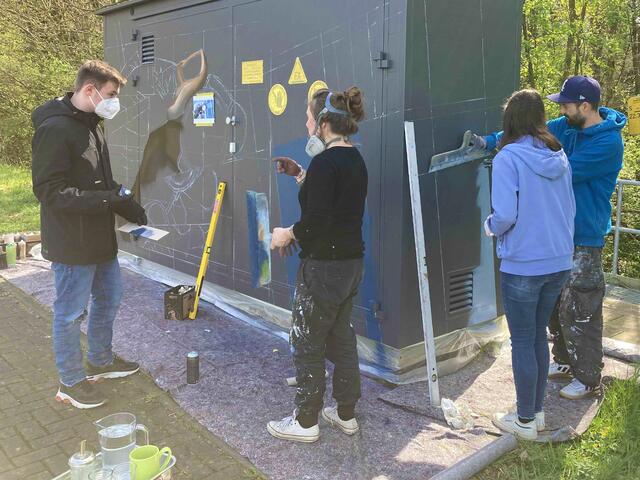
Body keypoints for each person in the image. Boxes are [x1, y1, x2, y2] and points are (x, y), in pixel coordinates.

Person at [476, 76, 626, 400]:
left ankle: (588, 377)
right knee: (557, 306)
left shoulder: (608, 144)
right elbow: (528, 131)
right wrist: (490, 141)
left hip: (585, 235)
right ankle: (564, 360)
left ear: (584, 106)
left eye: (566, 104)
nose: (560, 109)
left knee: (581, 307)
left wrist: (512, 164)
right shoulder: (567, 126)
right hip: (559, 233)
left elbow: (561, 169)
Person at [31, 60, 147, 409]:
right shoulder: (54, 129)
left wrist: (129, 206)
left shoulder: (92, 125)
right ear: (89, 90)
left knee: (109, 298)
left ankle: (101, 359)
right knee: (69, 314)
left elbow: (102, 180)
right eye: (111, 94)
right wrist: (105, 200)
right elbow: (49, 191)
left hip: (99, 239)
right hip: (71, 242)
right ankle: (71, 381)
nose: (114, 102)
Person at [267, 87, 367, 443]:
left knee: (307, 340)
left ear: (323, 123)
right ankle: (345, 414)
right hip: (350, 265)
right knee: (341, 337)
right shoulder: (353, 159)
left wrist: (285, 233)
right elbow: (334, 204)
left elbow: (317, 221)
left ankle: (305, 420)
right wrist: (300, 174)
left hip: (324, 268)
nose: (307, 125)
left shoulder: (326, 163)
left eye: (309, 119)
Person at [483, 89, 575, 440]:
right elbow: (569, 208)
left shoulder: (509, 158)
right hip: (558, 260)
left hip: (523, 263)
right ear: (539, 119)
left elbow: (505, 215)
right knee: (537, 335)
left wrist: (490, 226)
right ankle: (534, 415)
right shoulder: (559, 154)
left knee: (522, 339)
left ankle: (523, 421)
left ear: (510, 119)